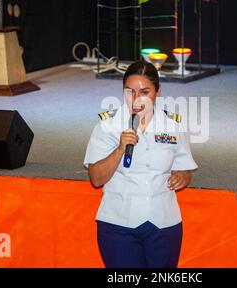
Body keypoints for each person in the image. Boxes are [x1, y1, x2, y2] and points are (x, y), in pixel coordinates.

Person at [83, 61, 198, 268]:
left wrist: (183, 176)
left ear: (157, 91)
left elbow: (184, 166)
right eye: (130, 91)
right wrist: (119, 149)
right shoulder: (108, 125)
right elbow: (96, 179)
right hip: (118, 223)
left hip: (164, 223)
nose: (136, 99)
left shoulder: (173, 125)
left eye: (144, 91)